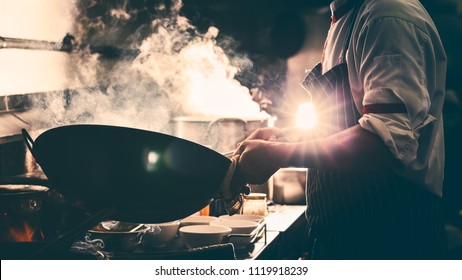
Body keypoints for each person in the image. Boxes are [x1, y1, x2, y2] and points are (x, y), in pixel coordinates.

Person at [234, 0, 448, 259]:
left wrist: (282, 154)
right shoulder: (347, 16)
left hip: (388, 237)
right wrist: (285, 138)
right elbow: (351, 123)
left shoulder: (387, 17)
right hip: (347, 232)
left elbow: (382, 142)